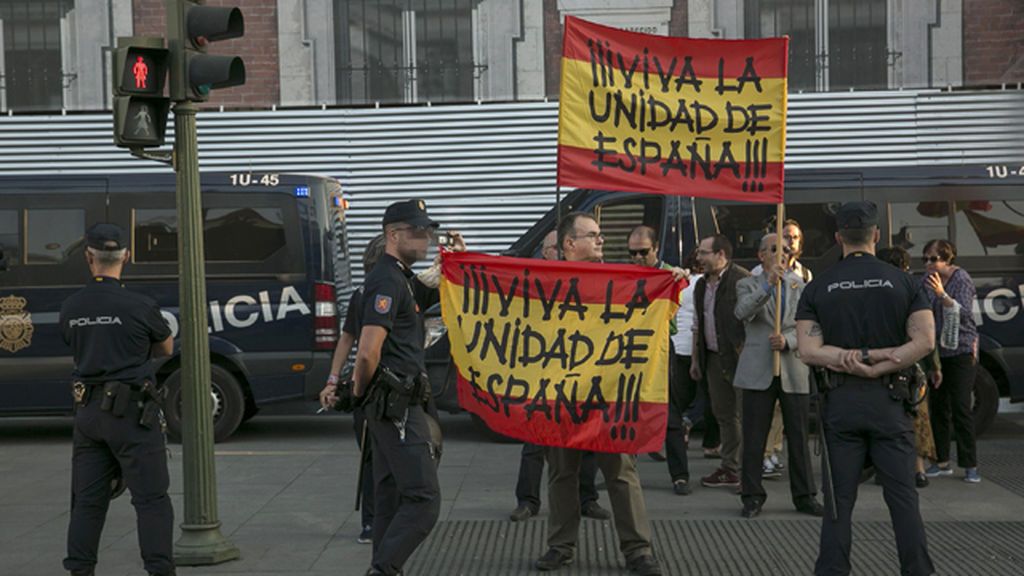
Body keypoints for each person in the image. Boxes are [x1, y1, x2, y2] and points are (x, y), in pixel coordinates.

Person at [796, 201, 935, 576]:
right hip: (891, 402)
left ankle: (832, 570)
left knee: (838, 502)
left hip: (840, 403)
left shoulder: (818, 286)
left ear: (838, 237)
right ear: (876, 235)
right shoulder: (905, 282)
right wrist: (881, 362)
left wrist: (850, 358)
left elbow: (808, 350)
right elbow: (924, 341)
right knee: (903, 500)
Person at [535, 212, 663, 576]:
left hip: (608, 394)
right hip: (562, 395)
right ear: (569, 244)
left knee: (621, 472)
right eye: (592, 235)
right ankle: (560, 546)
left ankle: (638, 549)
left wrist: (671, 284)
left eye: (601, 235)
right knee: (561, 473)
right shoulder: (547, 282)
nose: (602, 240)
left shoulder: (620, 279)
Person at [352, 199, 462, 576]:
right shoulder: (386, 278)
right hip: (396, 404)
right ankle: (383, 569)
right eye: (418, 232)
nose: (427, 238)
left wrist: (452, 263)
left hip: (390, 404)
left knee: (390, 497)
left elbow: (424, 296)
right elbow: (367, 351)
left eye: (428, 231)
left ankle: (382, 565)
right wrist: (362, 392)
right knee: (423, 499)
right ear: (393, 235)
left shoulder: (398, 276)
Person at [60, 223, 175, 576]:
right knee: (151, 500)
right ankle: (159, 570)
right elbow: (165, 347)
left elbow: (74, 345)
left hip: (89, 414)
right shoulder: (140, 305)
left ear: (88, 257)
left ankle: (80, 570)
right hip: (132, 414)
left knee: (88, 503)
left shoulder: (71, 306)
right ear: (126, 256)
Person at [510, 230, 610, 523]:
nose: (558, 252)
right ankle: (527, 501)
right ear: (545, 252)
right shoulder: (535, 282)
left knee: (587, 441)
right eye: (552, 247)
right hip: (544, 374)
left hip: (584, 373)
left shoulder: (592, 277)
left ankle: (587, 499)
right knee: (535, 442)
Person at [734, 233, 823, 518]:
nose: (781, 254)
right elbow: (742, 313)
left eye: (785, 249)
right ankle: (752, 496)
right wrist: (767, 286)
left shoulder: (802, 287)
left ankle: (805, 496)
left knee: (798, 436)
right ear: (761, 255)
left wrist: (788, 341)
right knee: (754, 436)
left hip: (792, 369)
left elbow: (812, 328)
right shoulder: (746, 283)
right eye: (774, 249)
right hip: (758, 370)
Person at [320, 234, 387, 544]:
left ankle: (373, 522)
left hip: (372, 388)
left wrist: (335, 379)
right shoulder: (369, 294)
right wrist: (334, 380)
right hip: (377, 388)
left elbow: (346, 339)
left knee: (371, 459)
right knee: (377, 459)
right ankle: (376, 521)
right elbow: (349, 340)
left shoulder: (366, 293)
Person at [627, 225, 693, 494]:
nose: (637, 258)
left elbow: (686, 286)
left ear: (656, 249)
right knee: (625, 411)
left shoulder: (669, 274)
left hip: (661, 350)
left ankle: (680, 476)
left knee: (670, 413)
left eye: (643, 252)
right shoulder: (627, 274)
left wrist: (679, 277)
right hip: (630, 351)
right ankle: (621, 473)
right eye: (632, 253)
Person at [877, 246, 940, 489]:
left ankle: (885, 469)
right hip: (913, 366)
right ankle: (919, 469)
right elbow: (928, 334)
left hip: (883, 365)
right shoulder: (914, 289)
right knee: (917, 416)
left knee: (887, 418)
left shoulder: (876, 292)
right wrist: (935, 366)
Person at [690, 234, 750, 489]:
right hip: (713, 358)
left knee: (746, 414)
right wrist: (696, 360)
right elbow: (698, 323)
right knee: (724, 414)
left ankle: (749, 470)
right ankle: (730, 467)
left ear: (721, 255)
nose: (699, 258)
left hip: (740, 357)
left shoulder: (741, 280)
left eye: (704, 253)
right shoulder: (702, 285)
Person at [920, 239, 981, 483]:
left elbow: (966, 313)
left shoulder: (961, 279)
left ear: (948, 258)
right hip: (938, 351)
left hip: (962, 349)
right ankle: (941, 461)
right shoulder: (926, 281)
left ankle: (970, 464)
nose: (928, 264)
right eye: (925, 259)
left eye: (933, 259)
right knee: (938, 407)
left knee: (961, 407)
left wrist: (942, 295)